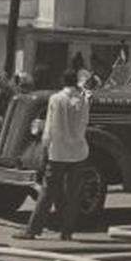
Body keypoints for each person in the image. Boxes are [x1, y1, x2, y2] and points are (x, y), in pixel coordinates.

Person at [16, 69, 91, 242]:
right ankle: (67, 231)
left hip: (58, 152)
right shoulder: (84, 100)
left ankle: (33, 230)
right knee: (73, 193)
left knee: (47, 192)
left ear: (62, 82)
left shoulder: (56, 99)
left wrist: (44, 147)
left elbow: (50, 127)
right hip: (79, 151)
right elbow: (85, 123)